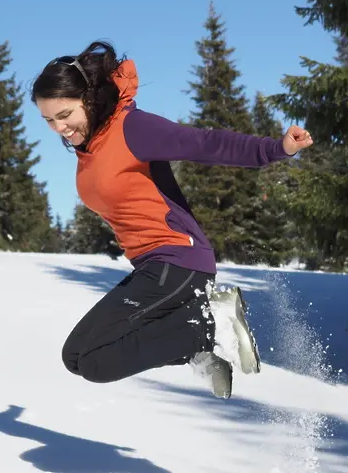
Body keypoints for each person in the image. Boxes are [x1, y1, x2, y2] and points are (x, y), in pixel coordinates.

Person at [30, 41, 313, 398]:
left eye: (66, 114)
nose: (59, 128)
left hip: (178, 260)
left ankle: (207, 327)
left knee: (95, 361)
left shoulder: (130, 128)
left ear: (88, 97)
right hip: (155, 267)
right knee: (76, 357)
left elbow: (204, 143)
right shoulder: (93, 146)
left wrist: (275, 149)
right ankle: (195, 341)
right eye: (49, 120)